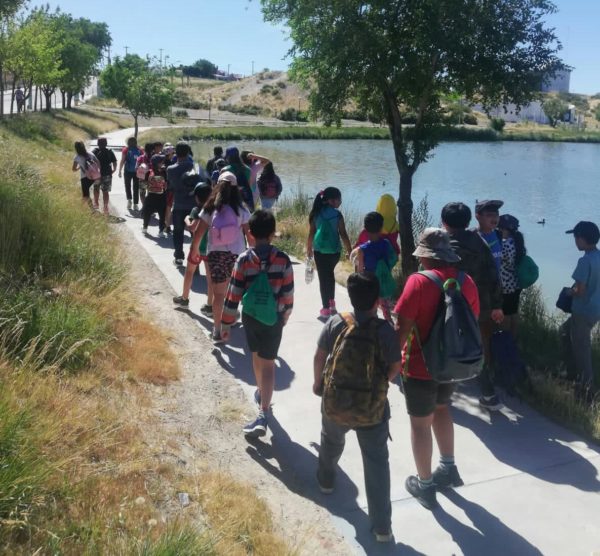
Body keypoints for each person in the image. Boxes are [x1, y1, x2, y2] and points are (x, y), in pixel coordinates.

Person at [394, 228, 479, 510]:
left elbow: (402, 329)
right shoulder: (467, 282)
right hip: (451, 366)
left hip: (419, 366)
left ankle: (425, 484)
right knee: (443, 410)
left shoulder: (418, 282)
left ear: (426, 257)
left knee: (420, 425)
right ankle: (449, 467)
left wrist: (390, 363)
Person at [313, 272, 400, 542]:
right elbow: (396, 366)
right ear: (377, 301)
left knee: (330, 440)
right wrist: (379, 383)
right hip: (372, 409)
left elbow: (319, 356)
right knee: (375, 462)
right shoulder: (385, 330)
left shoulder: (337, 322)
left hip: (337, 402)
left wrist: (318, 384)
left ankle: (327, 480)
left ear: (350, 297)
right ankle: (382, 527)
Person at [221, 210, 294, 437]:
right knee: (269, 364)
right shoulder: (283, 259)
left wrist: (226, 323)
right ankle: (264, 411)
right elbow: (288, 293)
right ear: (273, 234)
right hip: (273, 318)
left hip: (251, 317)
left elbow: (233, 293)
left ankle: (261, 392)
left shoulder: (243, 260)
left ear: (250, 233)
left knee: (255, 356)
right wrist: (283, 315)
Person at [443, 200, 503, 410]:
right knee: (478, 347)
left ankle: (443, 391)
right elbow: (494, 275)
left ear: (444, 222)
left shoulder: (442, 245)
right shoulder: (480, 242)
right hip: (481, 305)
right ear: (469, 220)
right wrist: (497, 305)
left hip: (450, 307)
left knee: (445, 343)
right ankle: (489, 395)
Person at [193, 172, 252, 343]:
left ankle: (217, 331)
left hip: (216, 254)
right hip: (237, 255)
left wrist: (194, 250)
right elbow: (249, 234)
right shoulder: (241, 208)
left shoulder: (210, 207)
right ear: (235, 188)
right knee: (235, 293)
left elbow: (199, 231)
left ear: (217, 185)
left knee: (218, 294)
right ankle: (231, 318)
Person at [561, 221, 600, 400]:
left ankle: (586, 391)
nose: (575, 241)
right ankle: (571, 373)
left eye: (576, 237)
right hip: (595, 309)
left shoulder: (584, 261)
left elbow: (580, 290)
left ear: (583, 240)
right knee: (563, 331)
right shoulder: (598, 257)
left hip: (582, 311)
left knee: (582, 350)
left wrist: (569, 291)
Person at [306, 187, 352, 318]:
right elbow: (343, 234)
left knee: (323, 278)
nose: (341, 202)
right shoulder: (337, 215)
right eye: (339, 199)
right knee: (330, 275)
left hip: (319, 251)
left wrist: (309, 248)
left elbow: (311, 233)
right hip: (334, 251)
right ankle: (332, 304)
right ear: (332, 200)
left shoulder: (316, 213)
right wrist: (349, 250)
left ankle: (325, 308)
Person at [350, 212, 398, 321]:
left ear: (365, 229)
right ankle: (390, 330)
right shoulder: (386, 244)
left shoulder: (362, 249)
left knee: (371, 311)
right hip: (384, 282)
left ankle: (373, 328)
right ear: (381, 228)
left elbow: (361, 271)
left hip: (370, 285)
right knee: (386, 312)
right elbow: (394, 259)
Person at [173, 182, 213, 309]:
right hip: (210, 248)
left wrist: (186, 218)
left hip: (197, 247)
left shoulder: (196, 210)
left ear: (196, 197)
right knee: (210, 277)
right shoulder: (214, 210)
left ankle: (184, 299)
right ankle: (210, 305)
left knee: (189, 272)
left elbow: (192, 227)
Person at [498, 214, 527, 337]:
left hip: (505, 284)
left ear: (505, 229)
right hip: (516, 283)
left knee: (505, 313)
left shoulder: (505, 245)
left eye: (499, 228)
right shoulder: (517, 242)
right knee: (514, 311)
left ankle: (505, 339)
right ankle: (514, 339)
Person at [166, 142, 195, 266]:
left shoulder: (170, 169)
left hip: (178, 204)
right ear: (188, 152)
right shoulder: (194, 167)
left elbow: (171, 186)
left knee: (178, 232)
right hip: (193, 205)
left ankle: (178, 257)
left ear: (175, 153)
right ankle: (195, 258)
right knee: (195, 233)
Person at [142, 154, 168, 236]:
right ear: (157, 163)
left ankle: (145, 228)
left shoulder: (149, 172)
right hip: (161, 196)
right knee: (162, 214)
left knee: (147, 213)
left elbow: (145, 183)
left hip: (151, 196)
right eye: (161, 162)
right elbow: (166, 184)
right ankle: (160, 231)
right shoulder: (164, 172)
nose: (162, 163)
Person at [224, 146, 254, 211]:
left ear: (228, 157)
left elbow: (222, 188)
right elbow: (249, 185)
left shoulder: (225, 170)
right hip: (245, 200)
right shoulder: (248, 170)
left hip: (231, 200)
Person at [92, 137, 117, 215]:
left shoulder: (95, 151)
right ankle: (105, 207)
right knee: (105, 192)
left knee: (96, 189)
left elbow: (90, 161)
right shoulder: (110, 152)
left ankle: (96, 202)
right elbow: (114, 162)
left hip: (97, 174)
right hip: (107, 174)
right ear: (106, 144)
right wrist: (114, 170)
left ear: (98, 144)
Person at [118, 137, 143, 211]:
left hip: (127, 170)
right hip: (137, 171)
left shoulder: (126, 149)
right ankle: (135, 204)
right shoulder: (140, 150)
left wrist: (120, 170)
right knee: (136, 187)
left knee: (127, 185)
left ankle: (129, 200)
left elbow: (122, 160)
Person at [72, 141, 99, 205]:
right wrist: (96, 170)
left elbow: (73, 169)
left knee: (85, 195)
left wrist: (80, 167)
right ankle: (91, 208)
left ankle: (89, 209)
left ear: (76, 148)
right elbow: (98, 162)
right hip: (94, 176)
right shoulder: (91, 154)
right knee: (88, 193)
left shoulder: (77, 157)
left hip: (84, 177)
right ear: (84, 146)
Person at [136, 143, 155, 209]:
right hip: (152, 179)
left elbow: (136, 168)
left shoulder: (140, 158)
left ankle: (144, 207)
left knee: (142, 194)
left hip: (142, 179)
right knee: (150, 194)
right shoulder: (155, 158)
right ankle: (149, 207)